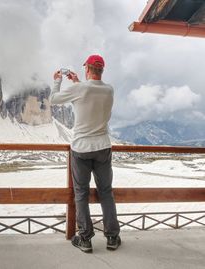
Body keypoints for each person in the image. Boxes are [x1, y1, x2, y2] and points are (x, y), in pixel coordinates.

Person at [49, 55, 121, 253]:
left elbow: (53, 100)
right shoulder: (109, 90)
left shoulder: (79, 89)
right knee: (106, 192)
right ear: (101, 70)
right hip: (103, 147)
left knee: (81, 193)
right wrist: (78, 83)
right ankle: (112, 236)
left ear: (87, 69)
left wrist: (58, 80)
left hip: (81, 148)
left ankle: (85, 238)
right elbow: (90, 95)